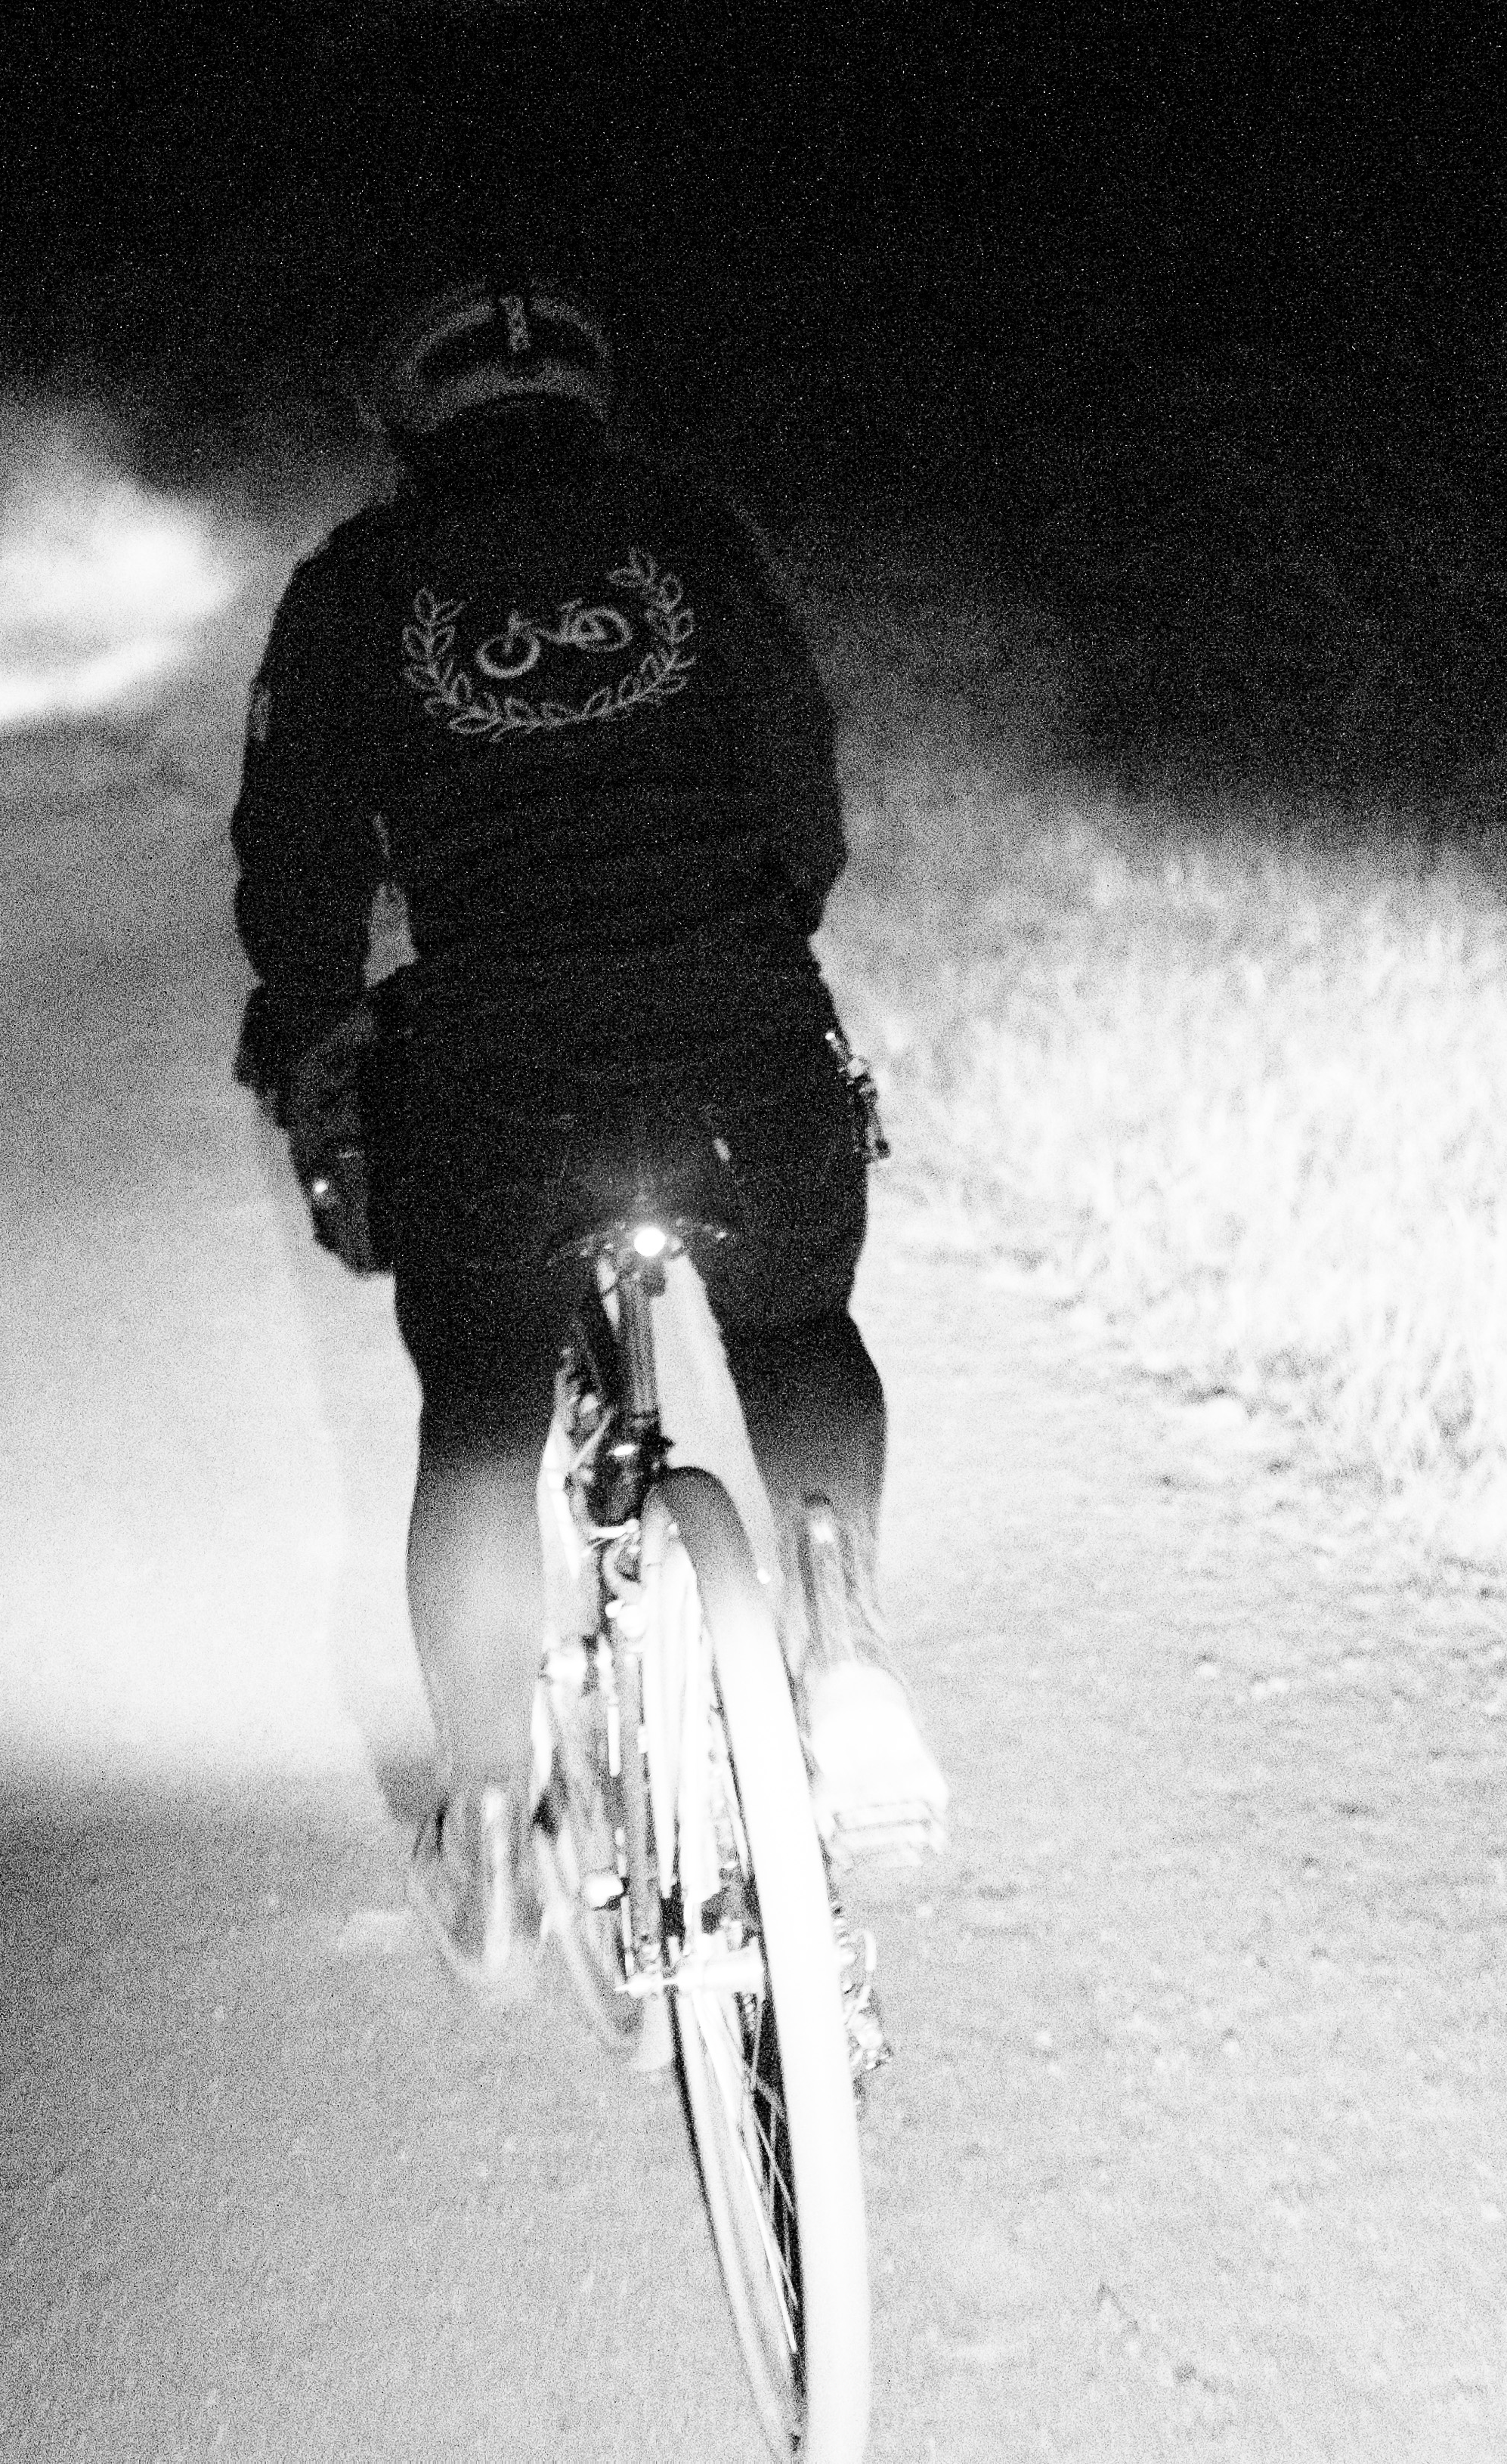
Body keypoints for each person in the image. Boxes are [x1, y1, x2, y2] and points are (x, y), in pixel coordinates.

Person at [227, 270, 948, 1989]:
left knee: (480, 1416)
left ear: (407, 425)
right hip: (740, 1044)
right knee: (792, 1324)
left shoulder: (354, 592)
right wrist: (752, 928)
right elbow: (805, 804)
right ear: (591, 404)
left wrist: (311, 1027)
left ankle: (490, 1829)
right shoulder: (693, 538)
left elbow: (300, 881)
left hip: (499, 1082)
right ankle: (841, 1644)